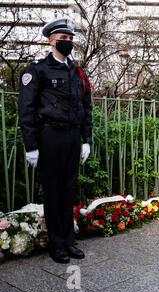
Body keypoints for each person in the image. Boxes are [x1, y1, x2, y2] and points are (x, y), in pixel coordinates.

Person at [18, 17, 93, 264]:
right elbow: (26, 110)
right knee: (53, 191)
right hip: (50, 136)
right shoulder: (38, 69)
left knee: (69, 190)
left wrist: (86, 139)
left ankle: (69, 240)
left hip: (72, 137)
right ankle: (57, 244)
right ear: (51, 41)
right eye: (63, 39)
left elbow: (86, 107)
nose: (68, 42)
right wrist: (31, 146)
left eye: (70, 39)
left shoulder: (77, 71)